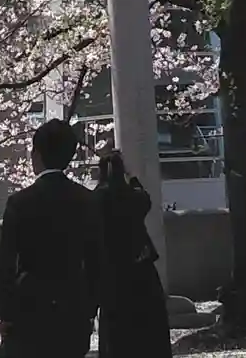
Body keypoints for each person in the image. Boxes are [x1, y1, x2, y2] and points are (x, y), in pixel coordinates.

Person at [0, 118, 110, 358]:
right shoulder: (87, 200)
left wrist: (6, 314)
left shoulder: (19, 203)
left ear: (36, 155)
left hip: (29, 305)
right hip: (72, 306)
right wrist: (90, 310)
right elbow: (97, 262)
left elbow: (5, 264)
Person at [93, 151, 170, 358]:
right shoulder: (135, 197)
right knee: (148, 330)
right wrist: (132, 178)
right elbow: (145, 198)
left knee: (117, 335)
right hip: (141, 270)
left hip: (114, 274)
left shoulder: (98, 198)